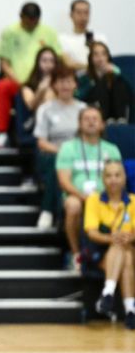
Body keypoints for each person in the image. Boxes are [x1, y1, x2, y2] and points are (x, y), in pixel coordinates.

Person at [57, 107, 122, 268]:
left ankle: (115, 250)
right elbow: (63, 181)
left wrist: (103, 197)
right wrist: (83, 196)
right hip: (77, 195)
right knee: (73, 205)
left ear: (102, 125)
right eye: (86, 119)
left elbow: (119, 178)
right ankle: (76, 254)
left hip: (106, 197)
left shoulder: (111, 149)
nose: (91, 122)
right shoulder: (68, 148)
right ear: (79, 124)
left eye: (95, 119)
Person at [0, 2, 62, 147]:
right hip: (18, 81)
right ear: (21, 17)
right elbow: (4, 63)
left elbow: (57, 58)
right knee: (1, 86)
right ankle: (2, 133)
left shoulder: (48, 32)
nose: (31, 24)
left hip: (43, 77)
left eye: (35, 21)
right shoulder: (10, 32)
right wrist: (20, 81)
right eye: (28, 20)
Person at [33, 66, 87, 229]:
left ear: (75, 85)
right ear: (54, 85)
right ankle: (49, 210)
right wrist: (63, 152)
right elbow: (41, 141)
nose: (65, 85)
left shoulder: (83, 109)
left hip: (80, 153)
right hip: (52, 152)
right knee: (57, 162)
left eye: (69, 81)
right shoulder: (46, 109)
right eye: (61, 82)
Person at [84, 160, 135, 329]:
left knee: (126, 251)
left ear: (124, 177)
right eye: (108, 175)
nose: (113, 180)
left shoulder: (133, 201)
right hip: (101, 251)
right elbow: (92, 232)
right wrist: (112, 238)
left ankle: (108, 293)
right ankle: (130, 310)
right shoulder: (94, 200)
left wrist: (130, 237)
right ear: (102, 179)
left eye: (117, 175)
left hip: (130, 248)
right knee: (123, 252)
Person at [78, 42, 132, 123]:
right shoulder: (84, 76)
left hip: (116, 114)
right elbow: (78, 96)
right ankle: (104, 120)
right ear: (91, 58)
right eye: (96, 54)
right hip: (96, 111)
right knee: (101, 84)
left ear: (108, 57)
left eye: (103, 54)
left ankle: (121, 119)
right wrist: (93, 83)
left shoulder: (116, 74)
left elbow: (130, 90)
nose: (100, 57)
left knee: (118, 82)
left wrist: (118, 73)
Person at [59, 0, 108, 74]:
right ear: (71, 15)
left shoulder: (100, 38)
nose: (83, 17)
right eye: (79, 13)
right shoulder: (62, 39)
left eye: (86, 13)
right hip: (76, 80)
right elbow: (69, 64)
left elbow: (105, 62)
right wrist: (92, 67)